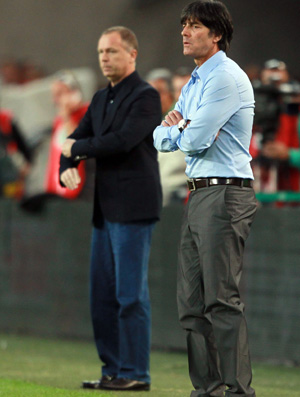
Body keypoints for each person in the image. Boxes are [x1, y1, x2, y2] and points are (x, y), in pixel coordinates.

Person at [153, 2, 257, 396]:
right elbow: (159, 137)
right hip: (199, 194)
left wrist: (181, 130)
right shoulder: (194, 83)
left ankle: (236, 391)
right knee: (191, 304)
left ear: (216, 34)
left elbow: (190, 139)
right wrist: (182, 131)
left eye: (194, 26)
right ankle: (208, 389)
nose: (184, 32)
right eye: (183, 25)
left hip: (226, 192)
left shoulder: (225, 78)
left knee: (221, 300)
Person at [59, 26, 162, 391]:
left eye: (112, 52)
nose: (105, 57)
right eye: (101, 51)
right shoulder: (101, 98)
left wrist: (77, 149)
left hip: (134, 207)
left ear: (132, 55)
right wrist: (66, 166)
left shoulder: (146, 96)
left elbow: (121, 142)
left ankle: (136, 374)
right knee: (101, 296)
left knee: (130, 296)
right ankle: (114, 370)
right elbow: (70, 143)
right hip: (105, 209)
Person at [146, 67, 187, 205]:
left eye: (158, 92)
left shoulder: (183, 118)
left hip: (176, 195)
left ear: (170, 94)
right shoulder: (151, 121)